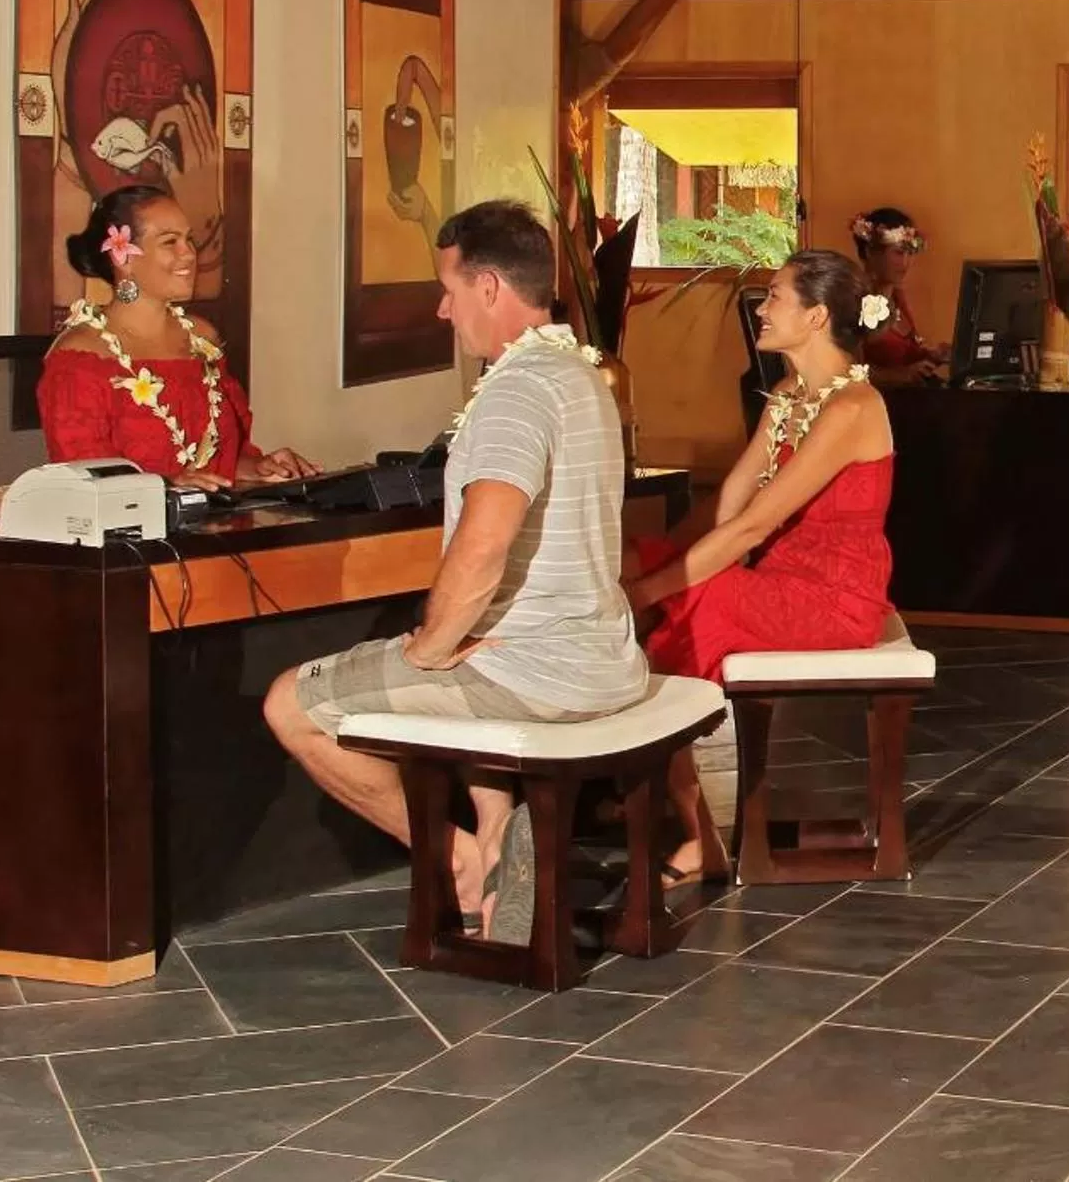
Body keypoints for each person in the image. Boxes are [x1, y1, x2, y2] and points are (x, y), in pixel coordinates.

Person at [263, 199, 650, 945]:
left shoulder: (515, 391)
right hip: (602, 660)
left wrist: (429, 645)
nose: (443, 310)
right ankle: (506, 842)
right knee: (469, 670)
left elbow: (482, 545)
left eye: (448, 288)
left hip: (534, 675)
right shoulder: (585, 377)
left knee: (290, 705)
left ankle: (467, 860)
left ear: (491, 289)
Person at [627, 249, 898, 888]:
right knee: (633, 558)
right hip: (778, 576)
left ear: (816, 316)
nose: (761, 307)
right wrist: (649, 562)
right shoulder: (787, 395)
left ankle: (695, 832)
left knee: (696, 598)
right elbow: (729, 501)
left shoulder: (852, 409)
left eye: (774, 296)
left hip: (834, 597)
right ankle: (639, 773)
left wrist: (643, 593)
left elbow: (750, 528)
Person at [39, 184, 316, 488]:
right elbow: (88, 483)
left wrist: (258, 467)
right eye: (170, 242)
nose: (189, 254)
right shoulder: (81, 357)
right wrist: (168, 487)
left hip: (218, 526)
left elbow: (222, 460)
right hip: (135, 533)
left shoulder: (201, 337)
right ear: (123, 257)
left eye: (189, 240)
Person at [853, 208, 947, 384]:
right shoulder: (853, 299)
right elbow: (848, 370)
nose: (905, 263)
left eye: (910, 253)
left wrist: (933, 355)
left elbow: (906, 354)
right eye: (898, 252)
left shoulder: (896, 296)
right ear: (870, 252)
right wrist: (900, 375)